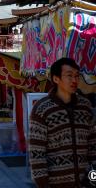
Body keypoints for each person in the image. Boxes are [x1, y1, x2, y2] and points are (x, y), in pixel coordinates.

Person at [29, 58, 96, 188]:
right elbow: (37, 154)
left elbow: (93, 147)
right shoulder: (42, 109)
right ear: (56, 79)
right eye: (69, 76)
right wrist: (43, 184)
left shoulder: (85, 107)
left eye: (77, 76)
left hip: (85, 183)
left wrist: (93, 180)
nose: (74, 80)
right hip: (56, 184)